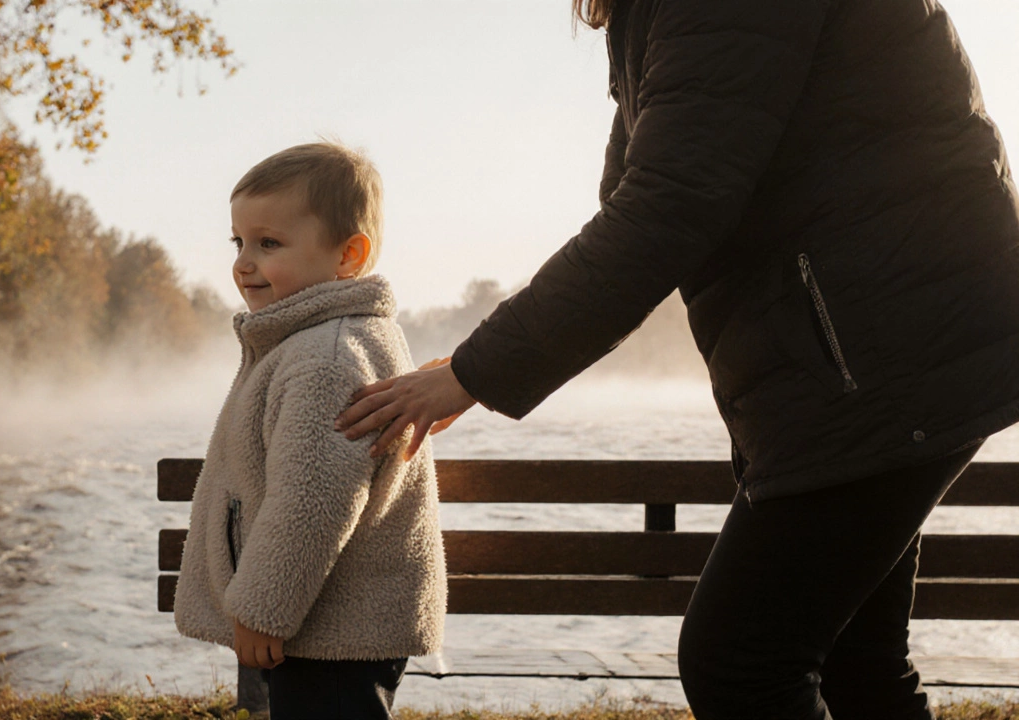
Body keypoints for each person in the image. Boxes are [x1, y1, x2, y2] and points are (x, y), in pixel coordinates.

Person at [335, 0, 1019, 718]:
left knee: (740, 661)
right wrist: (479, 357)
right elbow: (639, 198)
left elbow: (668, 211)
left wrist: (475, 372)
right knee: (856, 660)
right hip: (871, 349)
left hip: (880, 351)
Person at [173, 142, 447, 719]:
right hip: (326, 621)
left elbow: (315, 500)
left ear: (349, 255)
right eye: (239, 241)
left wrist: (262, 608)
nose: (244, 262)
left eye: (269, 243)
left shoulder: (327, 356)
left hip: (332, 630)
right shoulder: (309, 340)